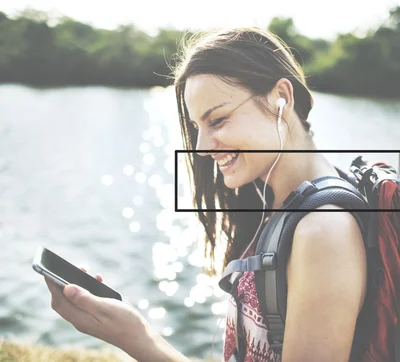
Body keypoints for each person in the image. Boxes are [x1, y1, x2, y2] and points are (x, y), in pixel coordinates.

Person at [44, 26, 367, 362]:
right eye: (199, 126)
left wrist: (137, 338)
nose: (201, 148)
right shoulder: (276, 203)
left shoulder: (324, 231)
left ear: (280, 98)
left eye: (218, 120)